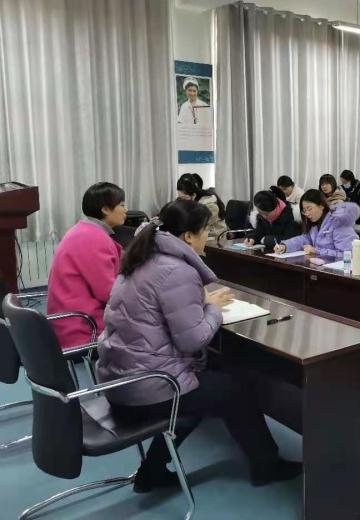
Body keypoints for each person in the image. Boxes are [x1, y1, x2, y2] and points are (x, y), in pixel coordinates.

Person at [98, 199, 301, 492]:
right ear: (188, 237)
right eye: (205, 230)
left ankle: (152, 471)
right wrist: (213, 310)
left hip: (121, 377)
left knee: (210, 381)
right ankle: (267, 466)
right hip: (148, 386)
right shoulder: (176, 271)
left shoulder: (143, 255)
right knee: (236, 390)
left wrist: (201, 302)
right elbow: (193, 339)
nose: (208, 235)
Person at [47, 182, 127, 349]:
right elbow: (109, 293)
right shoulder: (93, 238)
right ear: (105, 209)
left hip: (68, 321)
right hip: (83, 328)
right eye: (121, 205)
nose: (125, 210)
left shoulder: (84, 230)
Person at [273, 190, 359, 258]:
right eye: (304, 211)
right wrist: (285, 246)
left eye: (309, 209)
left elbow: (349, 254)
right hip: (321, 268)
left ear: (321, 205)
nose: (307, 214)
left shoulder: (339, 222)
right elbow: (304, 239)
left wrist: (317, 251)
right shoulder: (315, 224)